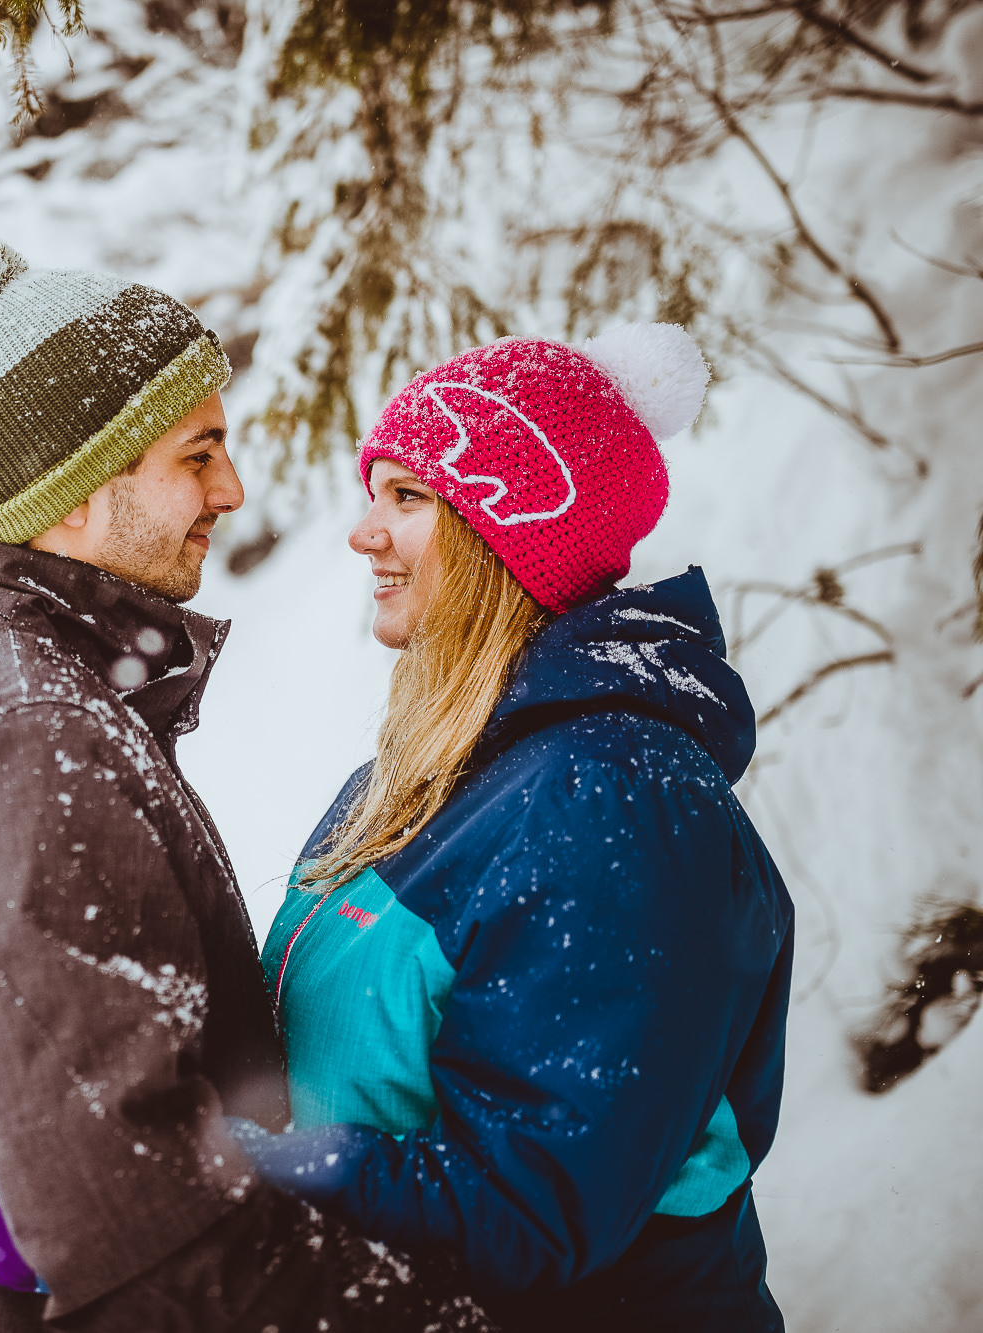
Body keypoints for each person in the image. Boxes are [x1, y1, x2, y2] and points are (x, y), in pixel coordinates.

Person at [0, 236, 490, 1332]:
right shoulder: (29, 737)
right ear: (71, 494)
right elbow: (134, 1216)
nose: (232, 488)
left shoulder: (25, 688)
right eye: (196, 455)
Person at [233, 326, 794, 1331]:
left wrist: (225, 1172)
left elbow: (530, 1211)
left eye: (406, 498)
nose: (363, 532)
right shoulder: (418, 779)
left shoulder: (617, 796)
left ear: (508, 533)